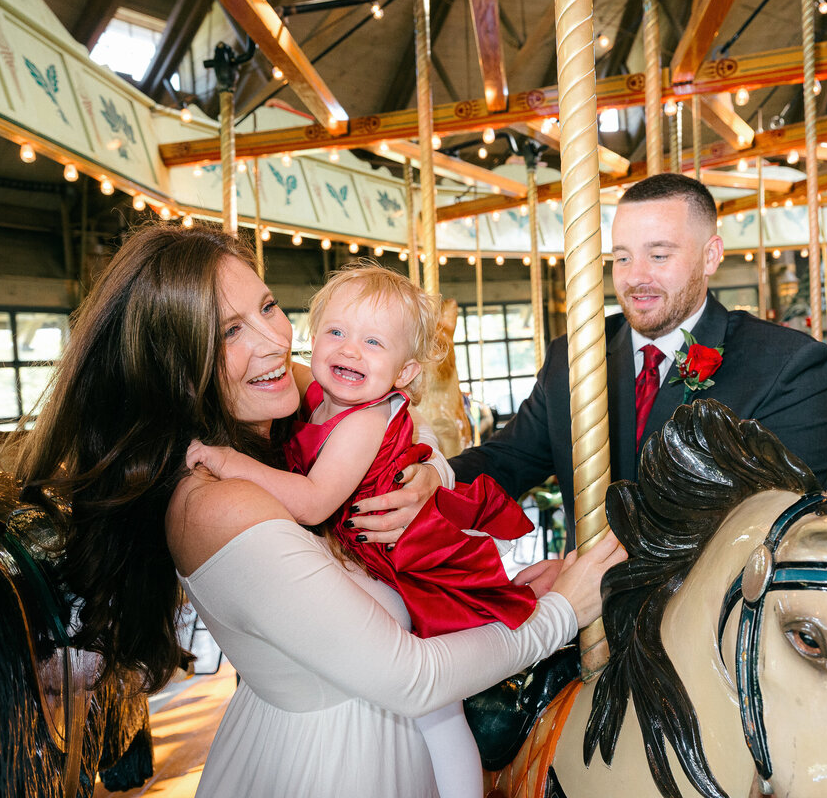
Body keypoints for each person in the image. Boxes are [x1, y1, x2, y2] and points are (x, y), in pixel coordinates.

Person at [16, 224, 625, 798]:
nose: (274, 340)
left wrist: (427, 477)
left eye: (269, 305)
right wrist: (559, 612)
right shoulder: (215, 500)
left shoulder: (281, 400)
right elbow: (410, 677)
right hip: (334, 764)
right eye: (229, 331)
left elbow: (393, 421)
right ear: (176, 366)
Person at [186, 263, 557, 798]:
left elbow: (313, 502)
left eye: (373, 342)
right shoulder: (314, 396)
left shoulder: (361, 419)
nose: (349, 351)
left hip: (410, 561)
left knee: (439, 710)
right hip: (369, 554)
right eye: (336, 332)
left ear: (404, 374)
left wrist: (230, 462)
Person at [352, 173, 827, 546]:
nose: (635, 277)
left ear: (710, 256)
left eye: (659, 256)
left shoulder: (785, 364)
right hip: (589, 604)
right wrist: (435, 477)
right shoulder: (574, 355)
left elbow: (786, 520)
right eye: (622, 258)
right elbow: (513, 456)